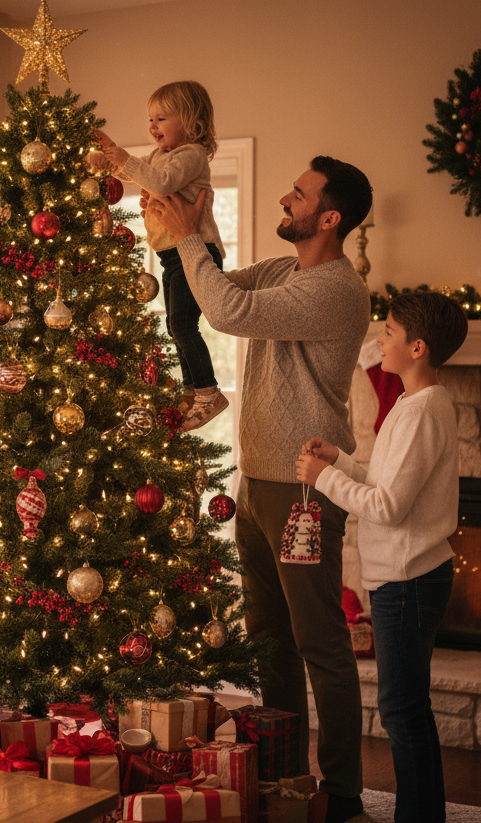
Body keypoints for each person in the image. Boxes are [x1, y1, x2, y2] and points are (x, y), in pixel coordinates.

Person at [146, 157, 373, 823]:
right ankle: (283, 776)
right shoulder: (282, 270)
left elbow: (228, 310)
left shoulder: (335, 289)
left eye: (299, 194)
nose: (285, 195)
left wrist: (188, 237)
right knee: (268, 638)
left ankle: (344, 793)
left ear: (328, 218)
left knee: (320, 643)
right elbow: (208, 278)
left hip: (304, 491)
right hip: (257, 480)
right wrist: (187, 220)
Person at [296, 292, 468, 823]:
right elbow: (389, 484)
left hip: (409, 579)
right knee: (408, 709)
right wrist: (342, 462)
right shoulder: (415, 404)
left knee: (401, 711)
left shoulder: (421, 412)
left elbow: (389, 507)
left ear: (417, 347)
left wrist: (323, 480)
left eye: (389, 332)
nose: (379, 341)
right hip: (407, 576)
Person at [91, 80, 228, 432]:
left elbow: (162, 182)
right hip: (172, 256)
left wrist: (129, 162)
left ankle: (208, 392)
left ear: (191, 121)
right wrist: (111, 152)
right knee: (174, 325)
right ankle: (189, 389)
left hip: (196, 252)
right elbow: (145, 177)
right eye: (150, 119)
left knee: (183, 324)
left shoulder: (191, 154)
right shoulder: (159, 156)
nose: (153, 127)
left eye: (161, 118)